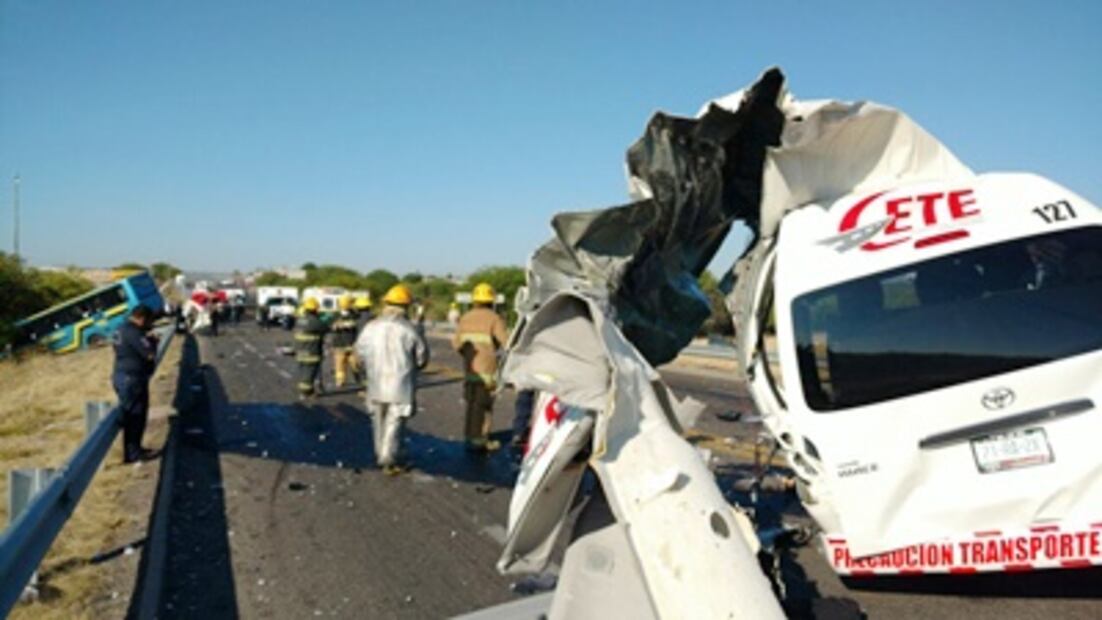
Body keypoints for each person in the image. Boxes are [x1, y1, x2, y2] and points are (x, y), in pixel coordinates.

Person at [355, 284, 429, 475]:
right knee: (394, 424)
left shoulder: (370, 328)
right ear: (406, 306)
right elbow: (422, 358)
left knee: (378, 421)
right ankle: (388, 459)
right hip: (400, 385)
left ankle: (382, 454)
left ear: (386, 303)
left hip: (375, 384)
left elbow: (359, 355)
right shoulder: (409, 330)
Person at [453, 282, 508, 452]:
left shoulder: (465, 317)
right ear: (491, 301)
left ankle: (469, 435)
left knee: (471, 403)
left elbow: (457, 344)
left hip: (470, 369)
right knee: (484, 406)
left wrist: (469, 357)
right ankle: (481, 439)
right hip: (487, 371)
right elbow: (507, 343)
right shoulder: (494, 318)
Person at [112, 305, 159, 463]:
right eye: (149, 321)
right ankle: (133, 453)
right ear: (141, 318)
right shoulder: (134, 333)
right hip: (132, 379)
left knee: (133, 415)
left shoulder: (121, 328)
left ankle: (135, 449)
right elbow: (149, 354)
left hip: (123, 375)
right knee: (135, 416)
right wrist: (153, 341)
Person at [294, 297, 328, 399]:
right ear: (315, 309)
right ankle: (305, 393)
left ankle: (309, 391)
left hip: (300, 351)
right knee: (309, 374)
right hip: (311, 352)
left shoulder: (300, 320)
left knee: (304, 373)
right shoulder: (314, 321)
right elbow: (325, 328)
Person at [329, 295, 360, 389]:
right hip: (342, 344)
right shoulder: (336, 315)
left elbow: (357, 324)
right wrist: (341, 325)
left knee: (353, 364)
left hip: (349, 344)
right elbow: (332, 326)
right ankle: (340, 381)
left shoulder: (354, 314)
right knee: (341, 365)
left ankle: (357, 381)